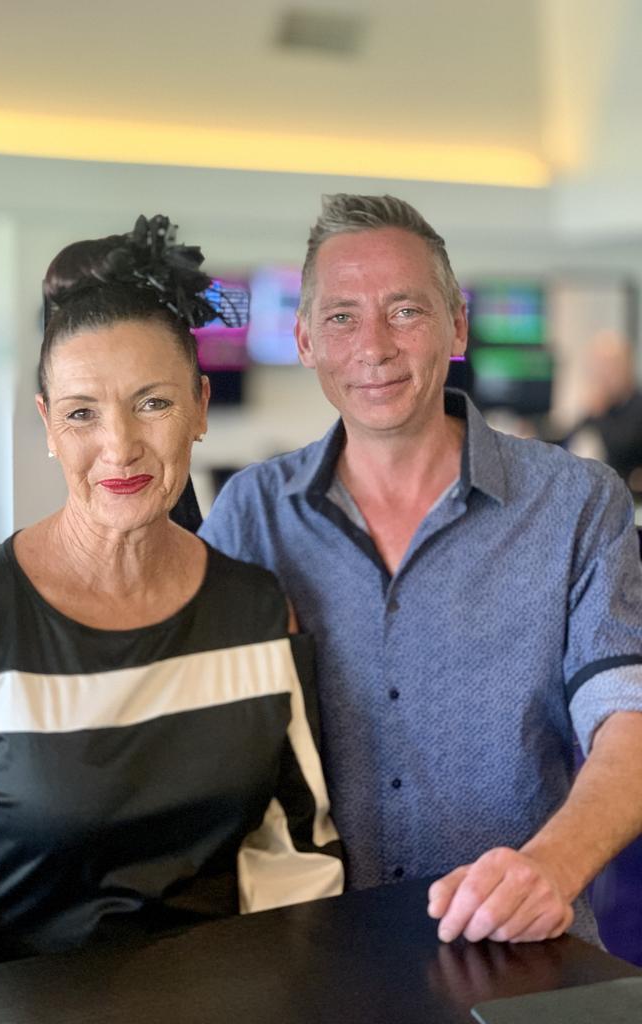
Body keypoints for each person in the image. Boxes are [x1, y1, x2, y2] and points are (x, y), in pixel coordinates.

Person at [0, 215, 342, 986]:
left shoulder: (259, 615)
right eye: (83, 412)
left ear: (198, 406)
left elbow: (293, 860)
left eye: (152, 403)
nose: (119, 446)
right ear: (48, 426)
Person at [200, 194, 642, 946]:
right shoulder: (252, 515)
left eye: (405, 310)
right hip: (310, 957)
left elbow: (628, 721)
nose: (374, 346)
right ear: (305, 340)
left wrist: (550, 867)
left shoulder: (575, 503)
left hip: (520, 950)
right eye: (341, 317)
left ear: (457, 327)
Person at [566, 329, 642, 489]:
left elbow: (621, 450)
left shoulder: (636, 405)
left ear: (627, 367)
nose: (602, 376)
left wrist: (599, 413)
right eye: (597, 368)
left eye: (609, 367)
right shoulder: (605, 406)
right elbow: (570, 438)